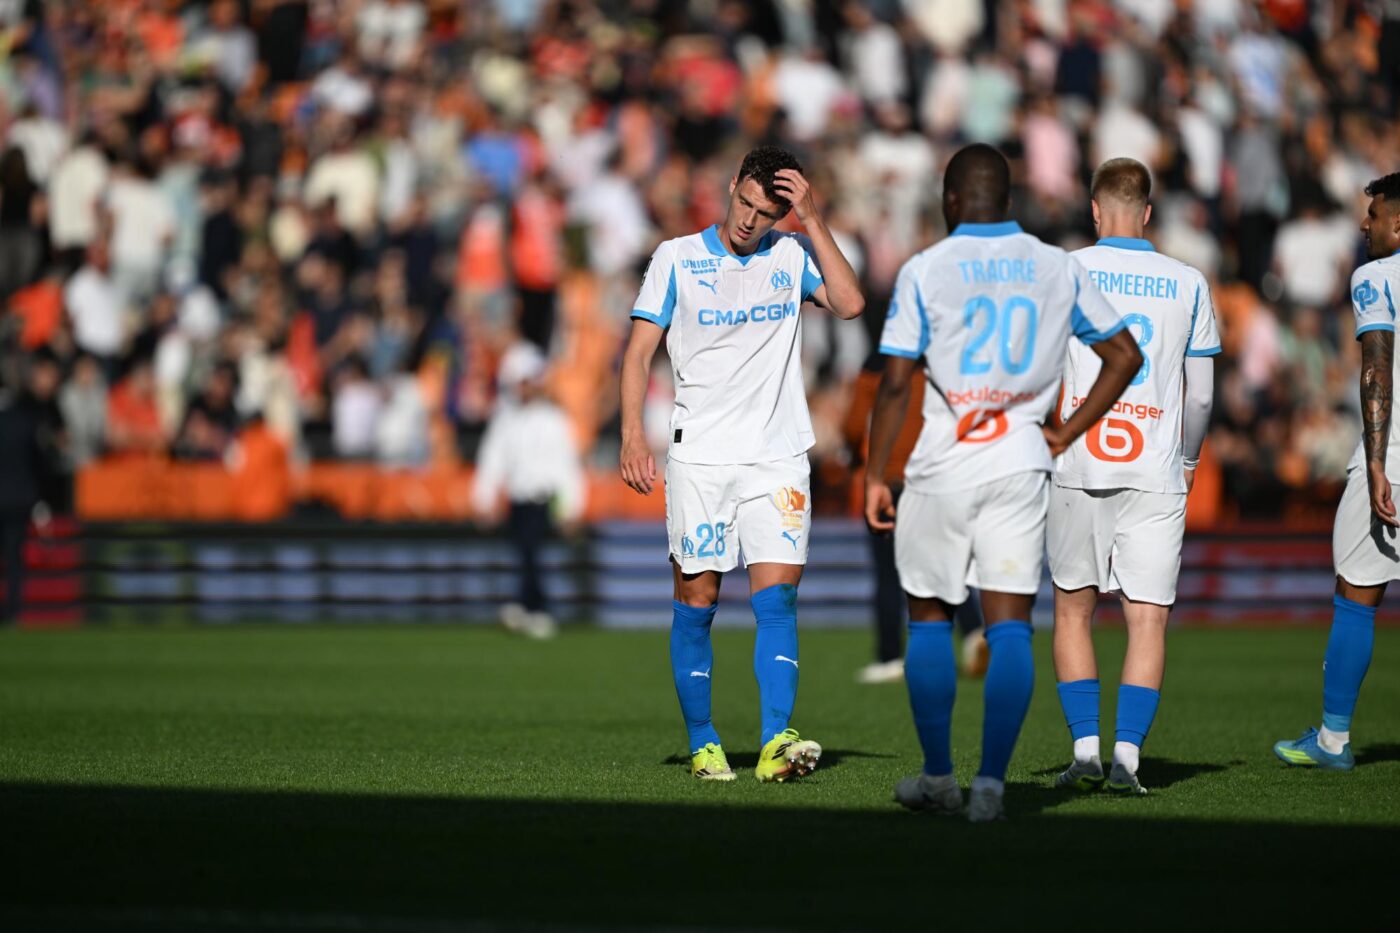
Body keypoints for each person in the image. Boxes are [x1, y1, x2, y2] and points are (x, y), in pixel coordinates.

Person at [865, 144, 1142, 821]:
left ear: (950, 200)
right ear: (1011, 202)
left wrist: (875, 472)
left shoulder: (925, 269)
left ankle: (939, 777)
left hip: (943, 461)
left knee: (930, 616)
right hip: (1021, 458)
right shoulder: (1057, 265)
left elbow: (896, 382)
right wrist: (1066, 431)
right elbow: (1124, 354)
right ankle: (991, 785)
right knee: (1010, 627)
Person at [619, 146, 864, 782]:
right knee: (697, 599)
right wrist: (632, 434)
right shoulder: (676, 258)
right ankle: (704, 744)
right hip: (700, 458)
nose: (751, 220)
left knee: (777, 601)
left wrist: (812, 219)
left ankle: (776, 741)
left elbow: (850, 303)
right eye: (746, 203)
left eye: (767, 213)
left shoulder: (792, 255)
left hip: (777, 457)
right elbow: (638, 351)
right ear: (731, 187)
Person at [1047, 159, 1220, 796]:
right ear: (1147, 212)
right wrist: (1190, 460)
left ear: (1095, 209)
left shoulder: (1065, 270)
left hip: (1080, 461)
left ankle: (1084, 753)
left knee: (1073, 610)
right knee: (1147, 619)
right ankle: (1127, 758)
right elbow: (1201, 395)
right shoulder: (1189, 281)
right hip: (1155, 466)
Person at [1274, 172, 1400, 770]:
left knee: (1356, 591)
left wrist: (1375, 460)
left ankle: (1332, 742)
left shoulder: (1376, 277)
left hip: (1394, 456)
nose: (1363, 225)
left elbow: (1377, 366)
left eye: (1372, 215)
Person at [843, 355, 988, 684]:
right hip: (935, 481)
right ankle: (973, 631)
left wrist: (857, 460)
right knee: (947, 563)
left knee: (888, 575)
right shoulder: (937, 366)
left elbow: (853, 427)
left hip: (888, 483)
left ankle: (891, 656)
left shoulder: (873, 370)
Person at [473, 342, 585, 641]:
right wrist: (484, 499)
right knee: (525, 554)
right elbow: (492, 461)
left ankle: (535, 608)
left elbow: (566, 467)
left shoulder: (553, 420)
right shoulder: (506, 420)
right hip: (518, 500)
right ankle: (526, 606)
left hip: (542, 501)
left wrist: (571, 508)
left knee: (531, 554)